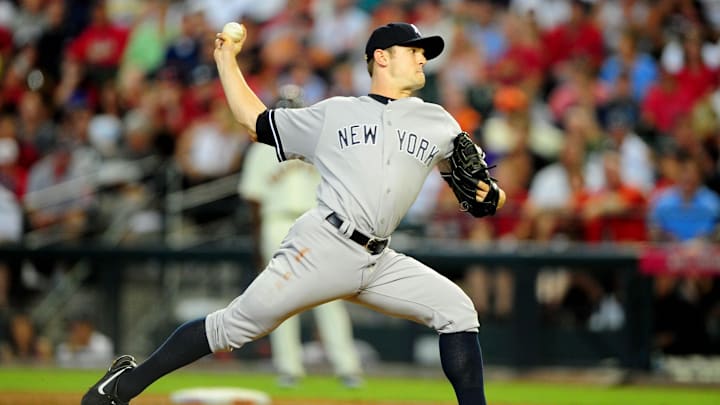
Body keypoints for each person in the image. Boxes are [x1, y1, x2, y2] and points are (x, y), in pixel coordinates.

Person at [81, 22, 506, 405]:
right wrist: (226, 60)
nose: (422, 57)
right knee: (233, 328)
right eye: (413, 50)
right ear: (381, 57)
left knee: (457, 311)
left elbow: (479, 188)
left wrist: (493, 196)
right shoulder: (335, 113)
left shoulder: (438, 121)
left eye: (424, 52)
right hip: (323, 245)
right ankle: (122, 387)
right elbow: (255, 122)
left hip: (379, 259)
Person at [238, 86, 363, 388]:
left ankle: (347, 367)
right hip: (277, 222)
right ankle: (289, 368)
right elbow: (253, 200)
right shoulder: (261, 148)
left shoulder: (318, 144)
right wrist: (257, 244)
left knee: (329, 295)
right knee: (280, 297)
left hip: (317, 221)